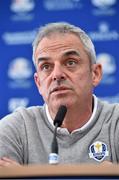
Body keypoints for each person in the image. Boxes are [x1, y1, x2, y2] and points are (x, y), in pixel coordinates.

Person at [0, 22, 119, 167]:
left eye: (70, 62)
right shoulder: (16, 129)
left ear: (95, 74)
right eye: (46, 66)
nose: (57, 75)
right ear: (38, 83)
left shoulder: (115, 122)